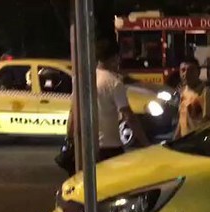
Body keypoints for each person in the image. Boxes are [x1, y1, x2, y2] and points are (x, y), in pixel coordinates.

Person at [62, 40, 150, 175]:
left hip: (86, 146)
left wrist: (70, 137)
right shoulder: (114, 83)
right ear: (114, 58)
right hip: (109, 147)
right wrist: (146, 144)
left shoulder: (83, 79)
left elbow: (73, 112)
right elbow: (129, 116)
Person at [174, 57, 210, 139]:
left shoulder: (205, 93)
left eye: (191, 70)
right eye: (183, 70)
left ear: (198, 72)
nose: (186, 74)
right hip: (184, 143)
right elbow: (181, 121)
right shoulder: (183, 92)